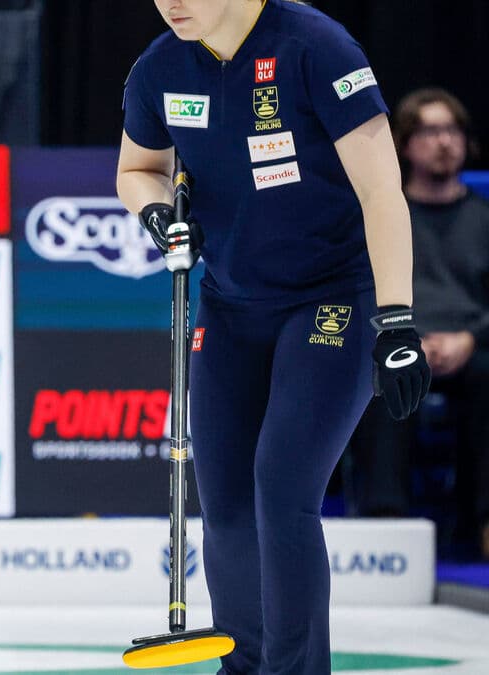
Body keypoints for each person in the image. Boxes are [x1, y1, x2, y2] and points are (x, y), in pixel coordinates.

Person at [116, 0, 431, 672]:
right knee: (227, 507)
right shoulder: (160, 69)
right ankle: (245, 664)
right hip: (230, 308)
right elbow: (136, 169)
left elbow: (383, 192)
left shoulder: (316, 46)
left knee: (282, 489)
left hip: (333, 298)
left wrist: (398, 320)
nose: (172, 3)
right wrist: (155, 216)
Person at [347, 87, 489, 559]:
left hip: (475, 345)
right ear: (405, 143)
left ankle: (480, 525)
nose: (445, 142)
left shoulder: (483, 217)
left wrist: (470, 338)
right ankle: (385, 526)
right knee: (386, 367)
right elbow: (360, 290)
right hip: (403, 336)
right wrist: (408, 338)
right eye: (430, 131)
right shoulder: (386, 216)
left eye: (452, 130)